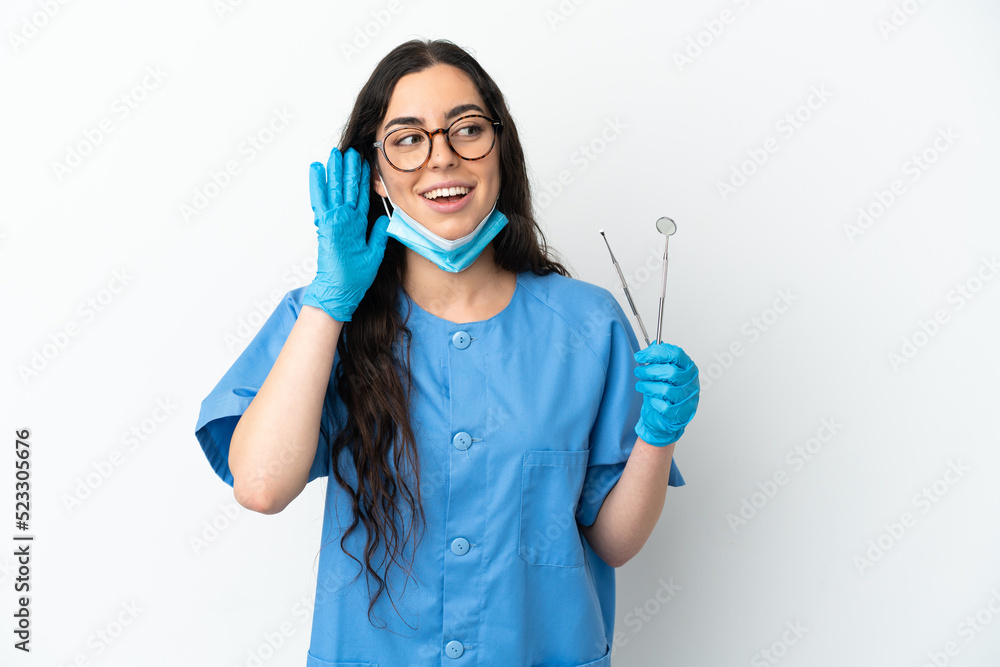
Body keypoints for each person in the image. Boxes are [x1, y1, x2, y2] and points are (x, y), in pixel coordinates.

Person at [194, 38, 700, 666]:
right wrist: (331, 299)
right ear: (375, 172)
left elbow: (613, 541)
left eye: (466, 129)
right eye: (408, 139)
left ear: (499, 146)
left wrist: (658, 436)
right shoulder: (321, 322)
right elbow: (262, 486)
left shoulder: (588, 324)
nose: (442, 158)